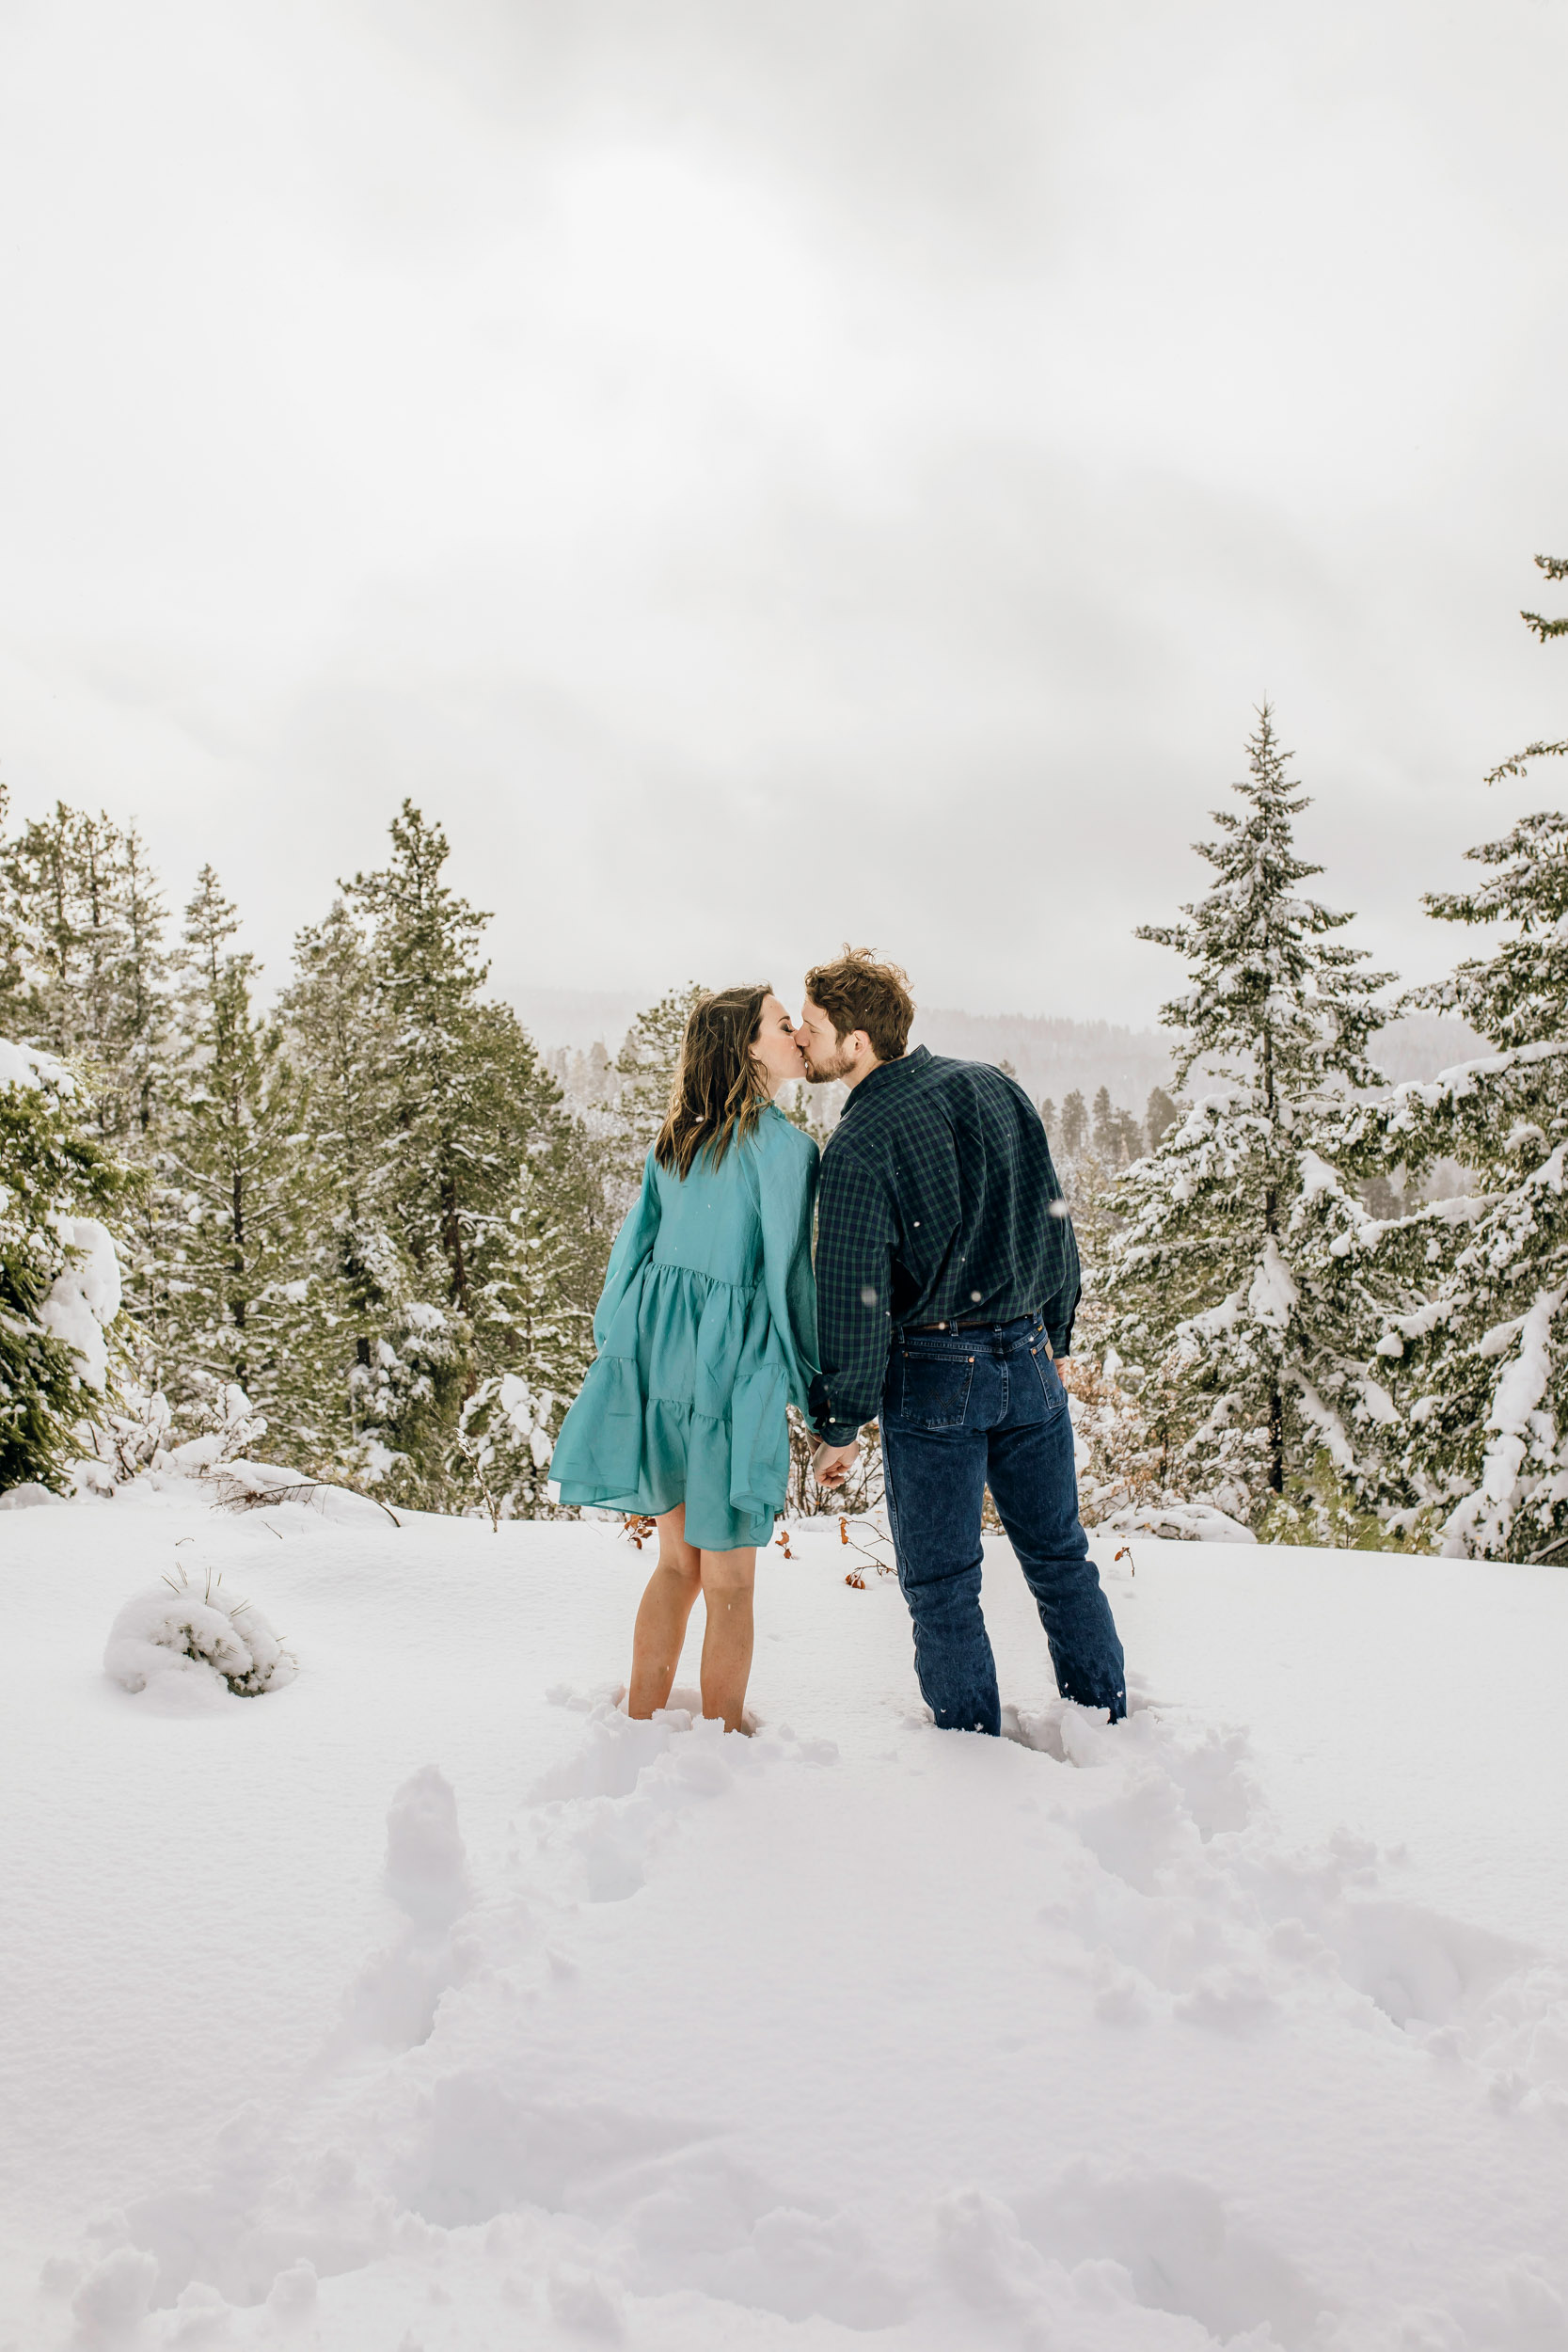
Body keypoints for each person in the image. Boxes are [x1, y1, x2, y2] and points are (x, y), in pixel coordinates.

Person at [797, 947, 1126, 1735]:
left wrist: (839, 1423)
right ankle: (1107, 1726)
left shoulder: (859, 1143)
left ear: (857, 1043)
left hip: (936, 1373)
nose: (800, 1040)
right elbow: (1053, 1222)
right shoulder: (991, 1086)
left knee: (942, 1583)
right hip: (1027, 1357)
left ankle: (970, 1756)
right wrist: (1056, 1332)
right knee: (1059, 1559)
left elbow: (851, 1300)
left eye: (812, 1028)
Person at [549, 987, 818, 1733]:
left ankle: (640, 1724)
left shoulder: (675, 1140)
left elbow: (629, 1257)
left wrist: (618, 1358)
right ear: (746, 1048)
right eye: (780, 1024)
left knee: (677, 1564)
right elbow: (788, 1278)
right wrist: (815, 1389)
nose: (796, 1034)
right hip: (729, 1366)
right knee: (729, 1575)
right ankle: (725, 1738)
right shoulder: (786, 1150)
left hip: (656, 1354)